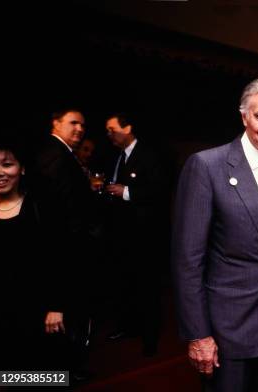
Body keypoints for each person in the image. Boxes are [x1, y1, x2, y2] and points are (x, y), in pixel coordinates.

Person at [172, 76, 258, 391]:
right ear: (244, 116)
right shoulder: (206, 166)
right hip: (228, 335)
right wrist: (198, 334)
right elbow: (188, 259)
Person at [31, 109, 100, 381]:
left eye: (83, 125)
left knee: (70, 319)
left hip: (68, 251)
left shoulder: (61, 154)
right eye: (73, 123)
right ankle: (62, 374)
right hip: (65, 253)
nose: (80, 129)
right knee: (64, 319)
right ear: (55, 123)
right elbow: (59, 220)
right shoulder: (54, 155)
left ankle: (66, 370)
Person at [104, 112, 171, 356]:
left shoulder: (150, 155)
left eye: (112, 129)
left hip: (146, 237)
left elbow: (161, 190)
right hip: (122, 234)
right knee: (127, 284)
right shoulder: (117, 157)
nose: (109, 134)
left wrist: (126, 192)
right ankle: (129, 327)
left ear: (128, 127)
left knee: (148, 288)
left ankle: (150, 338)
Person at [0, 138, 62, 370]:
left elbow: (58, 260)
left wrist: (56, 306)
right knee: (3, 375)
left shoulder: (40, 207)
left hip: (37, 312)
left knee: (42, 374)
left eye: (7, 164)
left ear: (21, 168)